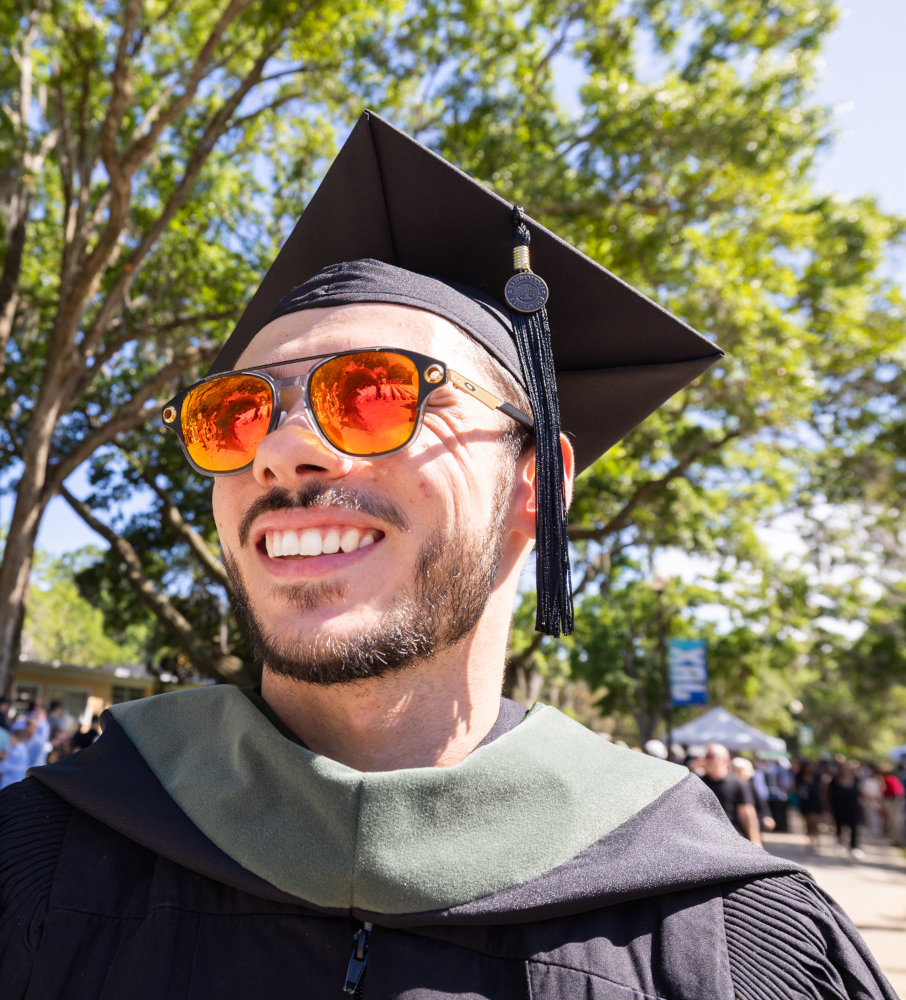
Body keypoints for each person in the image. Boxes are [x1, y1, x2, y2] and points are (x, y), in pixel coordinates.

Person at [0, 111, 895, 999]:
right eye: (234, 414)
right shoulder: (32, 859)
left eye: (376, 392)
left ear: (537, 482)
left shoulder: (732, 941)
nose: (280, 449)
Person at [700, 743, 763, 847]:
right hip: (705, 838)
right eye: (706, 756)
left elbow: (747, 813)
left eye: (711, 756)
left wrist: (755, 840)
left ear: (725, 759)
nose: (707, 760)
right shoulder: (699, 782)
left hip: (731, 838)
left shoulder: (737, 783)